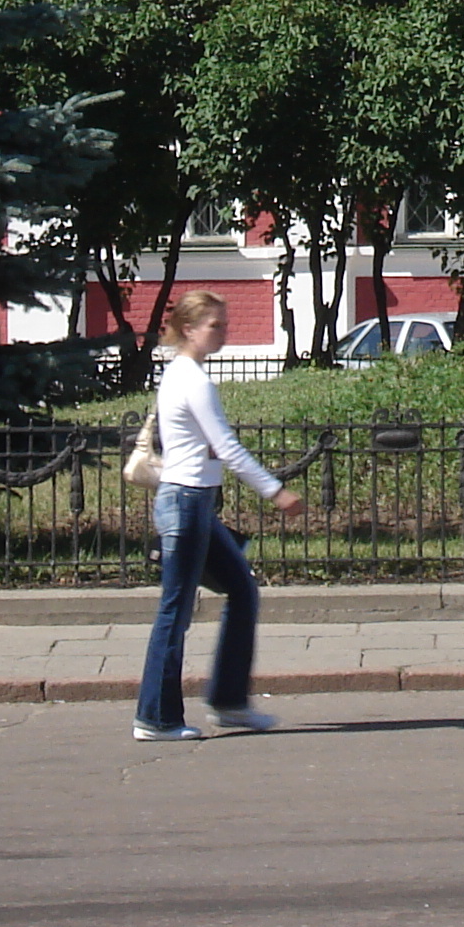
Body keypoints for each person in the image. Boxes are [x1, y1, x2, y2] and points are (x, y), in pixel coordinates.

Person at [134, 289, 301, 742]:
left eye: (224, 325)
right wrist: (275, 491)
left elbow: (195, 441)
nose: (223, 333)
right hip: (187, 504)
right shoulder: (193, 380)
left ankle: (228, 703)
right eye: (215, 326)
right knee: (176, 610)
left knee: (242, 591)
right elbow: (226, 446)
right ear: (189, 330)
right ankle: (156, 717)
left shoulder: (178, 375)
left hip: (194, 503)